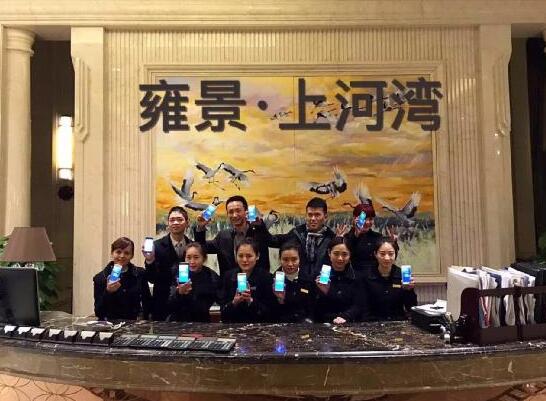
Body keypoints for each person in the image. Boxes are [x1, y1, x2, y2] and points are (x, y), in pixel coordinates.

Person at [194, 195, 271, 277]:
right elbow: (202, 248)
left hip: (257, 283)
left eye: (238, 211)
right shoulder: (223, 236)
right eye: (231, 212)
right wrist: (200, 227)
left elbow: (271, 242)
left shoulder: (259, 233)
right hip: (229, 283)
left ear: (246, 212)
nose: (234, 215)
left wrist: (260, 225)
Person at [143, 206, 193, 321]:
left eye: (179, 219)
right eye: (172, 220)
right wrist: (149, 260)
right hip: (162, 305)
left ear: (187, 223)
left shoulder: (192, 246)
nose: (175, 223)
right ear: (168, 223)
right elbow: (151, 278)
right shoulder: (156, 246)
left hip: (187, 305)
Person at [269, 197, 336, 281]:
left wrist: (340, 242)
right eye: (310, 215)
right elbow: (272, 241)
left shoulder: (331, 238)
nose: (313, 219)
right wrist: (260, 226)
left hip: (321, 283)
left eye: (317, 215)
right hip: (298, 282)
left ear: (325, 217)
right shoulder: (297, 233)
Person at [93, 237, 151, 321]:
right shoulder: (100, 278)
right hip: (110, 324)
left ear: (132, 256)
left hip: (135, 323)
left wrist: (143, 319)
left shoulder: (140, 274)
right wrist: (108, 292)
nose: (122, 256)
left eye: (127, 253)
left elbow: (147, 301)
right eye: (118, 252)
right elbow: (98, 312)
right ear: (112, 253)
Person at [219, 238, 276, 323]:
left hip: (259, 326)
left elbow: (270, 313)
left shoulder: (266, 277)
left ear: (257, 256)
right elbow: (223, 313)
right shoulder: (228, 277)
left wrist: (251, 301)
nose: (244, 260)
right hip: (234, 326)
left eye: (249, 256)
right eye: (240, 256)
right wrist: (234, 302)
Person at [313, 237, 367, 324]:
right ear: (329, 253)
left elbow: (359, 305)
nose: (340, 258)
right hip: (325, 323)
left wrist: (345, 316)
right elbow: (315, 310)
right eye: (336, 254)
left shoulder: (357, 277)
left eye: (344, 254)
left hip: (350, 322)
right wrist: (324, 292)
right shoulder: (319, 277)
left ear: (350, 255)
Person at [362, 238, 417, 321]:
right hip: (373, 323)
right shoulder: (366, 276)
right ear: (375, 254)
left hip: (398, 322)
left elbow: (411, 307)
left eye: (391, 254)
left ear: (395, 254)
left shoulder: (402, 275)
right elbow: (362, 307)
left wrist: (409, 290)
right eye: (382, 254)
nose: (387, 258)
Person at [167, 242, 220, 322]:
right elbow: (170, 304)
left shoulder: (211, 276)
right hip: (178, 322)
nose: (192, 261)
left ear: (204, 258)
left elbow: (211, 302)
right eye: (188, 257)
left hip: (201, 322)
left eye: (196, 257)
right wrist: (179, 293)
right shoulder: (177, 273)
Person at [272, 242, 314, 323]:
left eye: (294, 259)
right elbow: (270, 312)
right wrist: (281, 300)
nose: (290, 264)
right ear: (280, 259)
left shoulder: (308, 279)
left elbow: (311, 307)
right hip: (281, 324)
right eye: (285, 260)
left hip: (304, 324)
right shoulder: (272, 280)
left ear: (300, 259)